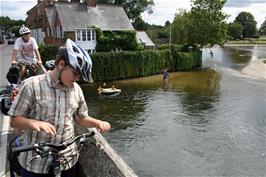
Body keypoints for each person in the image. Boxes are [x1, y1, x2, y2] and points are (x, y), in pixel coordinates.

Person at [8, 39, 111, 177]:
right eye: (75, 73)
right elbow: (15, 120)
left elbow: (81, 118)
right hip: (36, 162)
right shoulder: (31, 85)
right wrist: (34, 123)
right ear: (62, 64)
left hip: (67, 160)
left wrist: (97, 123)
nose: (77, 79)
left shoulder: (76, 90)